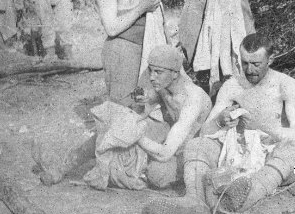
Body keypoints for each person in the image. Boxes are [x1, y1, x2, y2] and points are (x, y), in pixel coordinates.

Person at [142, 32, 295, 214]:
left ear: (270, 59)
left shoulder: (287, 85)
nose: (250, 70)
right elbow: (206, 131)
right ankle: (194, 201)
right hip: (237, 153)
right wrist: (219, 122)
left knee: (293, 151)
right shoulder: (232, 85)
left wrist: (262, 125)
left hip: (273, 156)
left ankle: (238, 200)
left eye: (256, 64)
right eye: (245, 62)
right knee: (197, 144)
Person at [36, 45, 212, 190]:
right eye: (151, 71)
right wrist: (142, 97)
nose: (152, 77)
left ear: (175, 73)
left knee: (157, 174)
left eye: (158, 72)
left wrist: (135, 135)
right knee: (115, 132)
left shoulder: (192, 99)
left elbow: (165, 153)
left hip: (189, 149)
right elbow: (148, 96)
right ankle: (61, 168)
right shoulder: (166, 84)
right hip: (170, 137)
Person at [95, 0, 165, 106]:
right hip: (122, 52)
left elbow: (142, 3)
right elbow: (111, 28)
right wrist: (142, 7)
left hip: (144, 49)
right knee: (124, 104)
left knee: (142, 102)